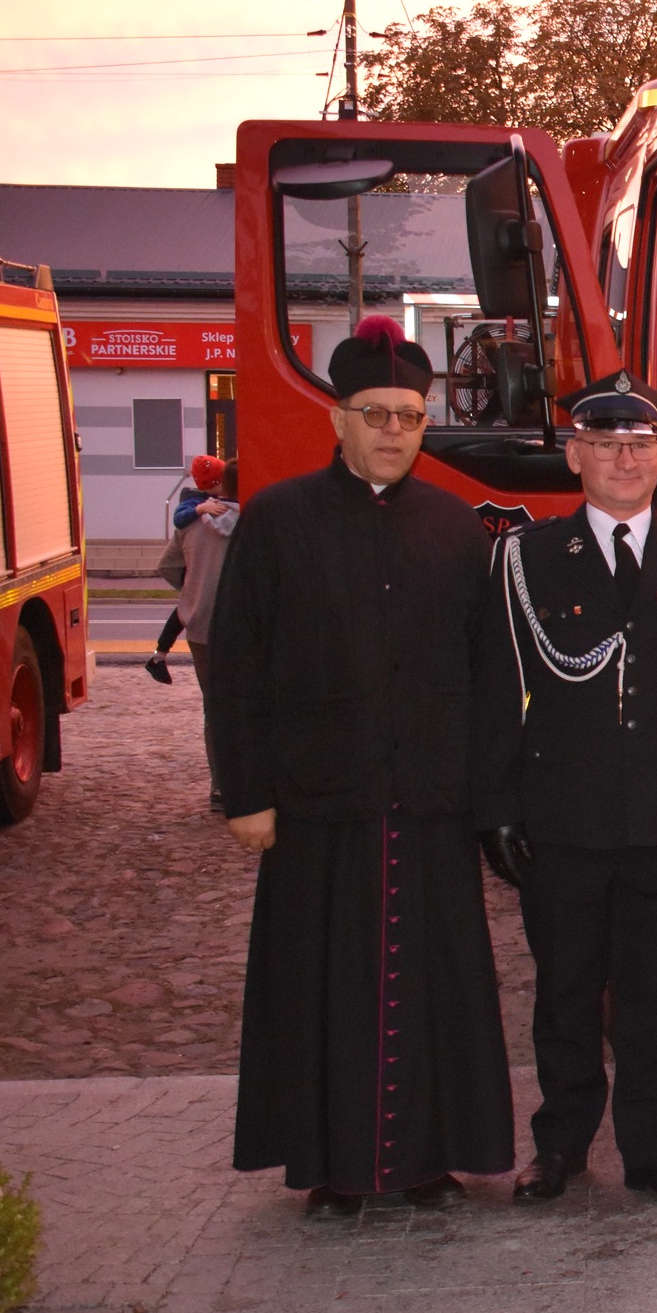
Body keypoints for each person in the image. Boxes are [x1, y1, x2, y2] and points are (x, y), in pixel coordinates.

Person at [207, 317, 513, 1219]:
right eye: (374, 413)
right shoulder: (277, 520)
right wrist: (246, 793)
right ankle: (332, 1168)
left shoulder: (456, 528)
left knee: (435, 990)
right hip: (319, 805)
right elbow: (237, 668)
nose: (392, 430)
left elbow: (489, 677)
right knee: (323, 990)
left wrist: (488, 796)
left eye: (409, 416)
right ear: (338, 418)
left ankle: (429, 1160)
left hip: (429, 803)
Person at [475, 373, 657, 1210]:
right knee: (565, 989)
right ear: (575, 456)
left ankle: (655, 1152)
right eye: (605, 443)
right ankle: (559, 1144)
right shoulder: (526, 558)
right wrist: (496, 808)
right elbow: (497, 691)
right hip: (563, 817)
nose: (624, 460)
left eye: (640, 445)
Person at [156, 458, 240, 811]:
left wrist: (193, 591)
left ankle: (220, 787)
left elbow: (167, 566)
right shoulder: (256, 522)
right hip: (245, 630)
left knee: (215, 708)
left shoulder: (190, 522)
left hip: (202, 629)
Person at [146, 454, 228, 685]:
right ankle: (159, 654)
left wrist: (192, 586)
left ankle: (160, 655)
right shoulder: (196, 504)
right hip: (232, 624)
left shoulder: (199, 514)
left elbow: (166, 565)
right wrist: (200, 509)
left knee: (185, 609)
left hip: (200, 625)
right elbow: (180, 517)